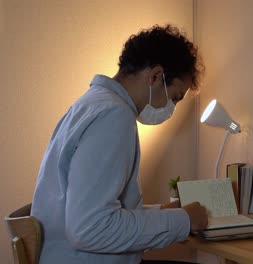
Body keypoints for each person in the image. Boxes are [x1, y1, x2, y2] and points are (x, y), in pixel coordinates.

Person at [31, 25, 208, 264]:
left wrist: (164, 213)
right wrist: (183, 221)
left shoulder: (91, 104)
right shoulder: (113, 116)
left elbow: (95, 212)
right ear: (156, 76)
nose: (172, 108)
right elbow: (91, 228)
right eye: (175, 97)